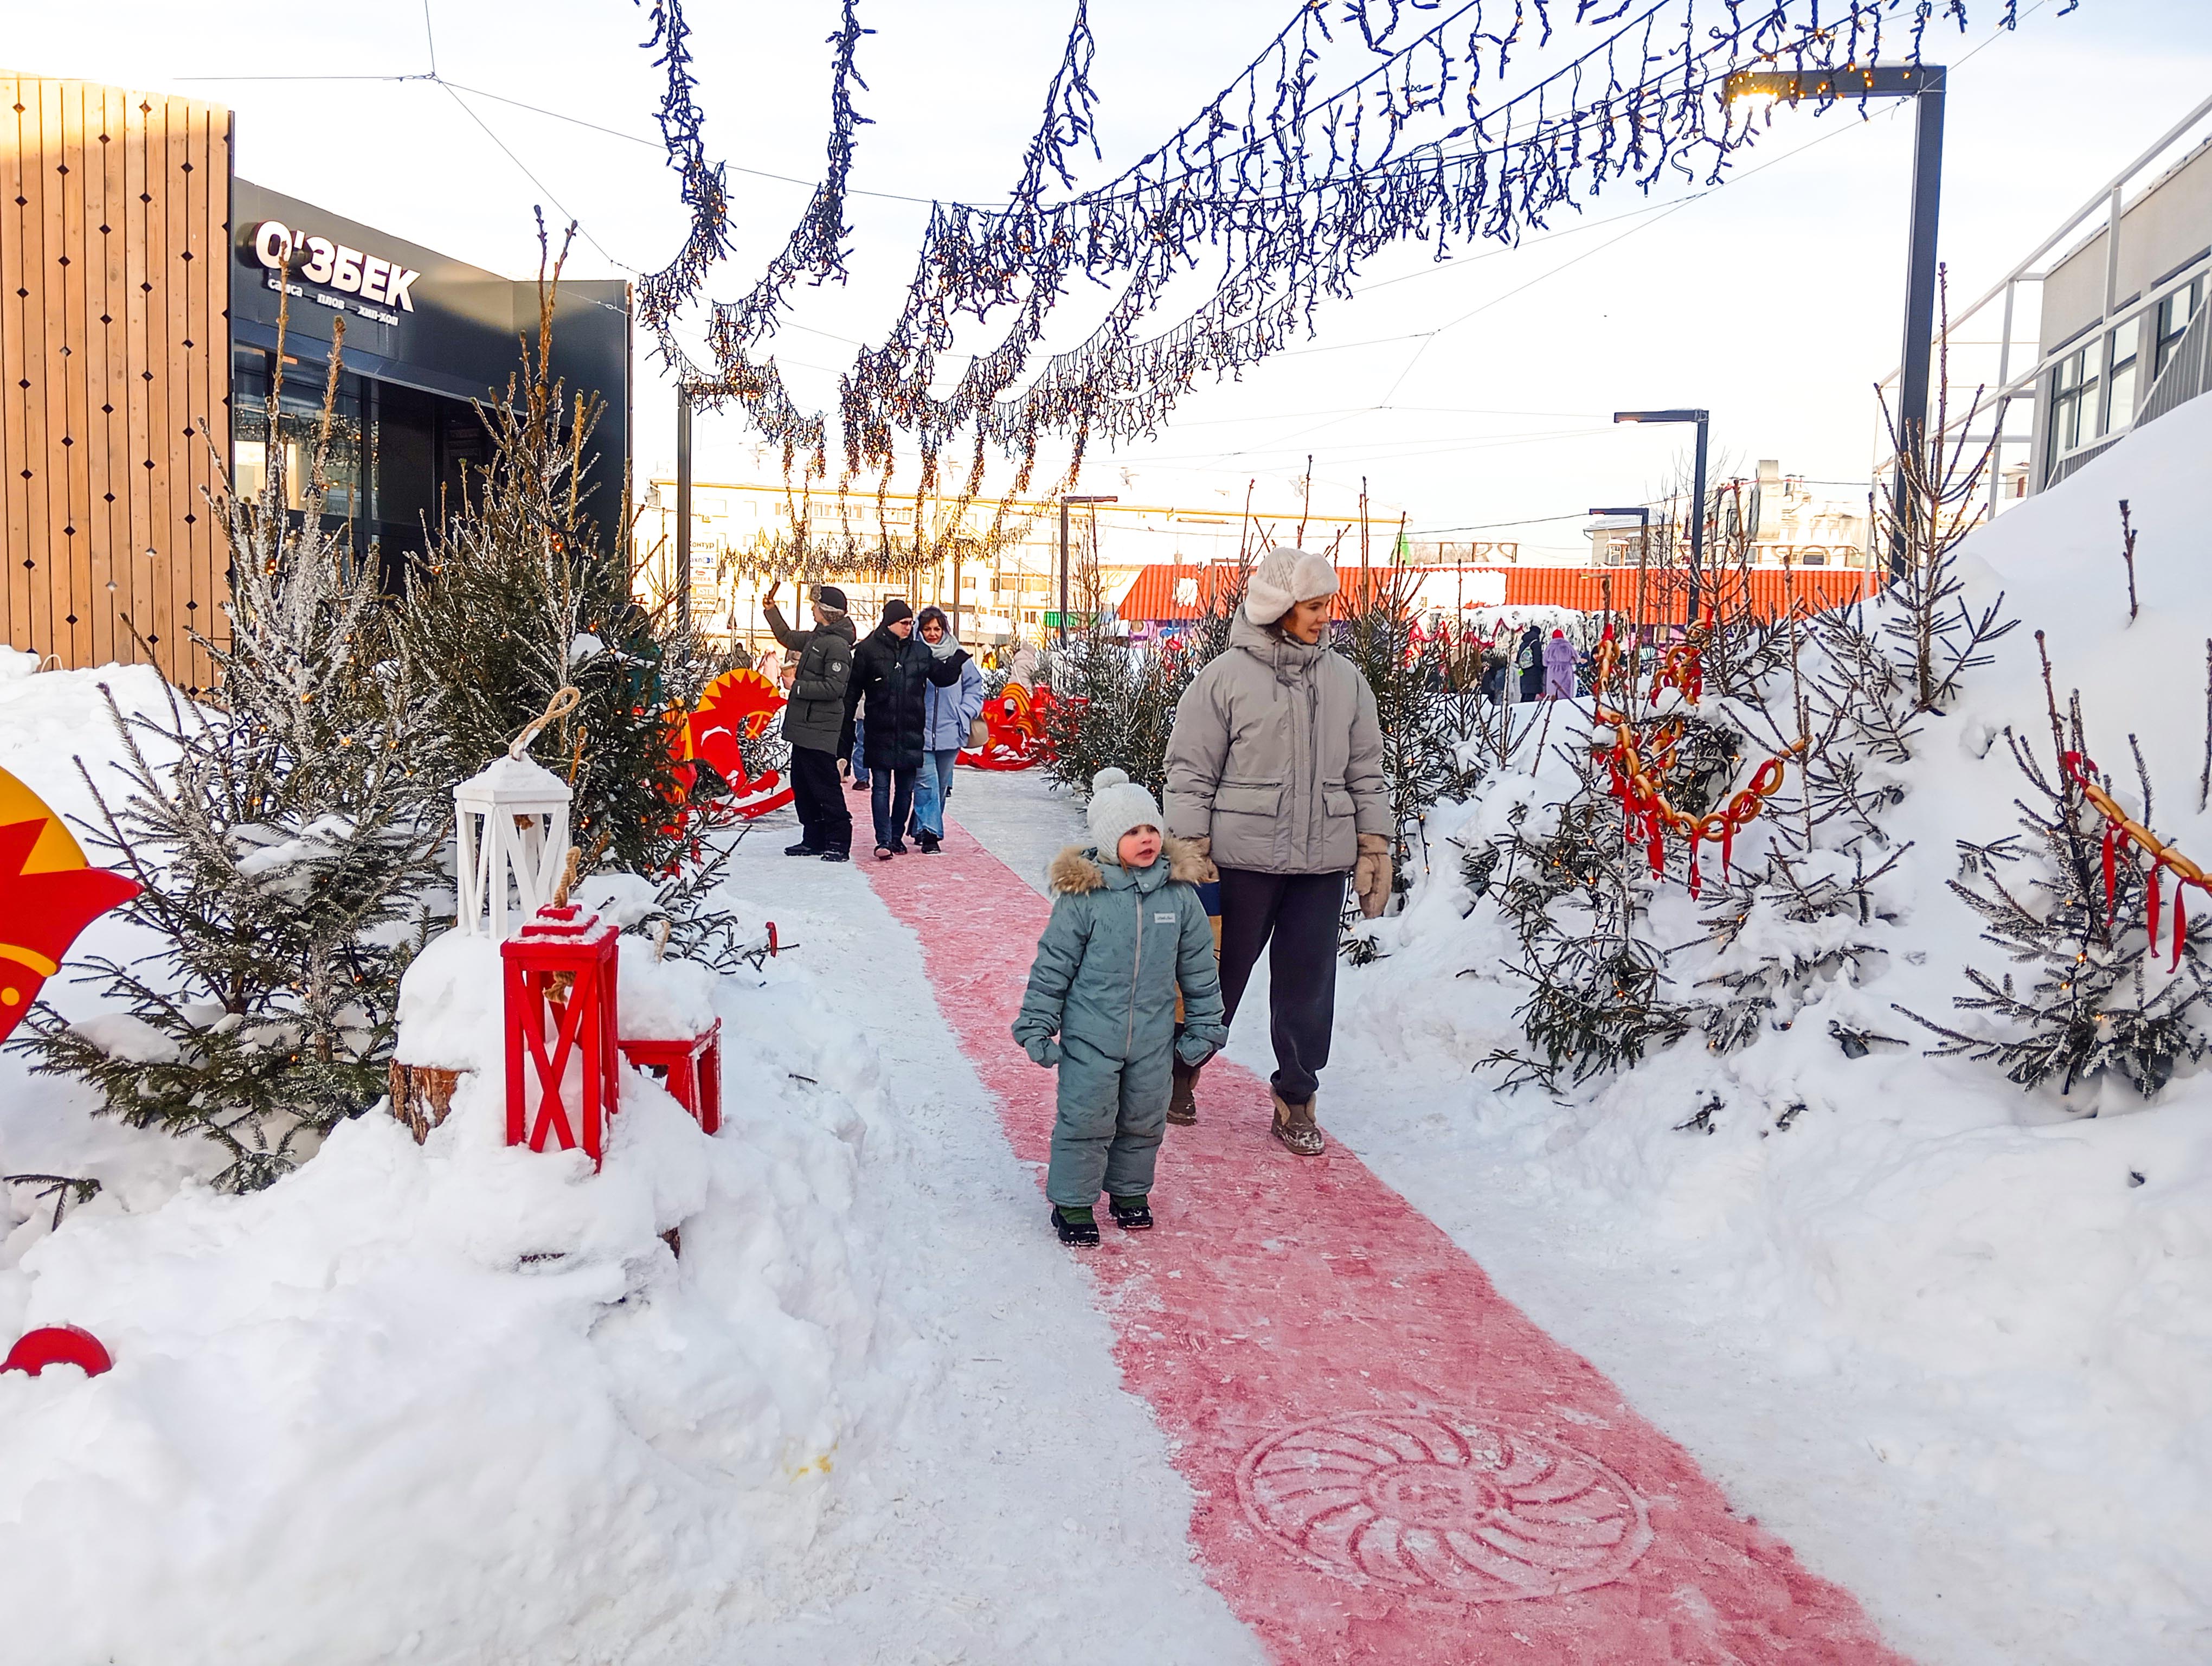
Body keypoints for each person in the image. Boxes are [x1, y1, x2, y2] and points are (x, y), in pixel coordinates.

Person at [1163, 547, 1389, 1156]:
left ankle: (1296, 1095)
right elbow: (1189, 772)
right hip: (1240, 863)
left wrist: (1374, 845)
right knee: (1214, 976)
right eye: (1313, 606)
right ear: (1279, 607)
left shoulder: (1346, 682)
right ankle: (1180, 1070)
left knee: (1308, 988)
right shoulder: (1224, 679)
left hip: (1321, 866)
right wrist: (1189, 848)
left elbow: (1367, 772)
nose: (1325, 617)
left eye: (1326, 605)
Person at [1013, 768, 1226, 1246]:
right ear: (1110, 841)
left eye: (1151, 828)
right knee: (1086, 1117)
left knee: (1144, 1119)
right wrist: (1037, 1022)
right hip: (1090, 1035)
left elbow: (1198, 967)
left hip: (1153, 1037)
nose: (1146, 839)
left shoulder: (1179, 896)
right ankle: (1073, 1201)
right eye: (1132, 832)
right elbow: (1054, 964)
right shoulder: (1085, 898)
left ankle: (1130, 1192)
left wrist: (1206, 1025)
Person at [844, 598, 969, 859]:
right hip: (879, 731)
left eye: (911, 623)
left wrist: (957, 660)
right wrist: (845, 723)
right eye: (904, 623)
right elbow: (853, 690)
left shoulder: (919, 652)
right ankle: (883, 840)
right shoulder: (868, 650)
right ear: (890, 623)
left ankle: (896, 837)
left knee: (904, 791)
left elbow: (942, 677)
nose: (909, 627)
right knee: (880, 788)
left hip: (911, 732)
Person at [761, 581, 856, 862]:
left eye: (815, 606)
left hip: (820, 728)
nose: (812, 609)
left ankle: (838, 841)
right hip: (805, 726)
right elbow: (787, 637)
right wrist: (772, 611)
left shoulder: (836, 645)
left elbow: (835, 688)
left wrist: (797, 686)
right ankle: (813, 838)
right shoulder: (818, 637)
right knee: (803, 785)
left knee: (825, 786)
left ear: (826, 611)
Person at [908, 605, 986, 854]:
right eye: (927, 629)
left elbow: (975, 688)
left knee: (941, 786)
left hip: (951, 731)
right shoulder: (913, 655)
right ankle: (931, 834)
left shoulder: (959, 656)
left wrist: (964, 713)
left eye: (937, 629)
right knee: (927, 784)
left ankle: (921, 827)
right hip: (919, 732)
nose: (932, 634)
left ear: (945, 630)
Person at [1543, 627, 1577, 700]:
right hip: (1566, 670)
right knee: (1565, 694)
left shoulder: (1550, 647)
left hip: (1552, 671)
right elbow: (1575, 659)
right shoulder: (1568, 646)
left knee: (1552, 693)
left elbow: (1545, 662)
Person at [1516, 620, 1545, 703]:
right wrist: (1542, 668)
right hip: (1534, 674)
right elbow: (1537, 660)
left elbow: (1518, 659)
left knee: (1525, 696)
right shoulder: (1536, 644)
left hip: (1524, 673)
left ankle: (1519, 710)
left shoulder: (1523, 644)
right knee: (1531, 697)